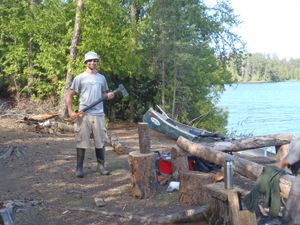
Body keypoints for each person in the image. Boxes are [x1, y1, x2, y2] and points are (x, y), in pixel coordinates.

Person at [66, 51, 114, 178]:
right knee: (81, 141)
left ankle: (101, 166)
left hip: (98, 114)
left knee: (100, 141)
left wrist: (108, 96)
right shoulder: (79, 78)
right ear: (86, 62)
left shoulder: (101, 78)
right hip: (83, 114)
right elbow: (69, 95)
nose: (93, 62)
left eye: (95, 60)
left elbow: (104, 94)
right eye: (90, 60)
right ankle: (79, 168)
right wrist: (71, 111)